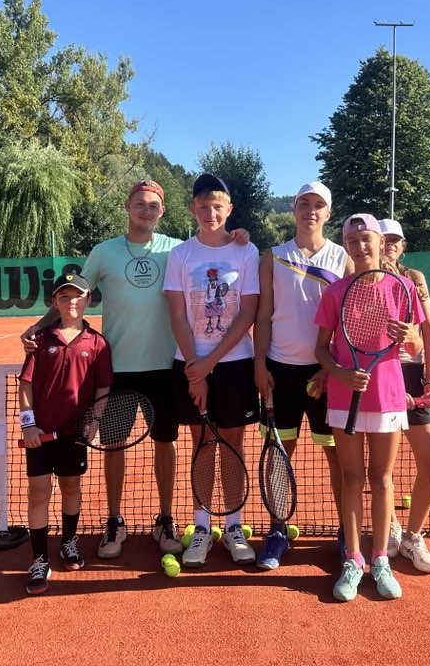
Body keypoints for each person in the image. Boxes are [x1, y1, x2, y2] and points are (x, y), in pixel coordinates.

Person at [21, 180, 249, 560]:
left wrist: (237, 236)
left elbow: (213, 245)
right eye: (140, 204)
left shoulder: (177, 249)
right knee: (114, 446)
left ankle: (165, 519)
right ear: (128, 206)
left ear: (163, 211)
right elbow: (73, 295)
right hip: (116, 369)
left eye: (153, 206)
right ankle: (115, 519)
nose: (146, 211)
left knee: (166, 443)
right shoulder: (104, 252)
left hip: (166, 366)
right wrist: (39, 327)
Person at [314, 214, 423, 601]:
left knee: (381, 479)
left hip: (388, 397)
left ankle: (380, 559)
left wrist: (410, 336)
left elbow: (416, 347)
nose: (360, 246)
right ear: (346, 246)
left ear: (380, 243)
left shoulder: (403, 288)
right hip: (345, 398)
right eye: (353, 241)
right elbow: (320, 350)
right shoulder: (335, 292)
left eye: (367, 239)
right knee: (351, 479)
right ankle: (352, 559)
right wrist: (341, 374)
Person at [253, 181, 352, 570]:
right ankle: (277, 531)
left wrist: (329, 368)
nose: (310, 210)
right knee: (280, 456)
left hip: (327, 374)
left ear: (328, 213)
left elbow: (346, 322)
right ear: (294, 209)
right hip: (280, 372)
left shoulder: (342, 257)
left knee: (338, 457)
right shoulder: (273, 257)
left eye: (318, 205)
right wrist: (260, 364)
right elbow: (263, 315)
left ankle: (347, 532)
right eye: (303, 203)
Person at [163, 173, 261, 568]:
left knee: (233, 445)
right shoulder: (180, 255)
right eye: (203, 206)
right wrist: (197, 369)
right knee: (202, 444)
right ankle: (202, 528)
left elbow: (248, 313)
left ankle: (234, 526)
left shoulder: (246, 250)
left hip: (235, 364)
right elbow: (177, 316)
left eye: (217, 206)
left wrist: (210, 363)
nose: (210, 212)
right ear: (193, 209)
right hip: (190, 363)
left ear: (229, 209)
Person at [18, 272, 113, 595]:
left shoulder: (98, 344)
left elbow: (102, 388)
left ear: (88, 301)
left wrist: (94, 422)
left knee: (71, 487)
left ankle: (69, 542)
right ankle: (39, 559)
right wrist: (28, 424)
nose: (71, 302)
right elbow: (26, 384)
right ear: (54, 302)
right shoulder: (40, 340)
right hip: (39, 434)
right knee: (38, 493)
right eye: (64, 296)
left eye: (77, 297)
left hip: (75, 435)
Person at [379, 218, 430, 573]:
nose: (389, 244)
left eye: (395, 240)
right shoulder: (363, 278)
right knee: (382, 467)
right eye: (384, 238)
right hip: (380, 375)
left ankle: (413, 536)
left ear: (403, 246)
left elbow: (428, 333)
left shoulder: (415, 279)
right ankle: (389, 526)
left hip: (413, 375)